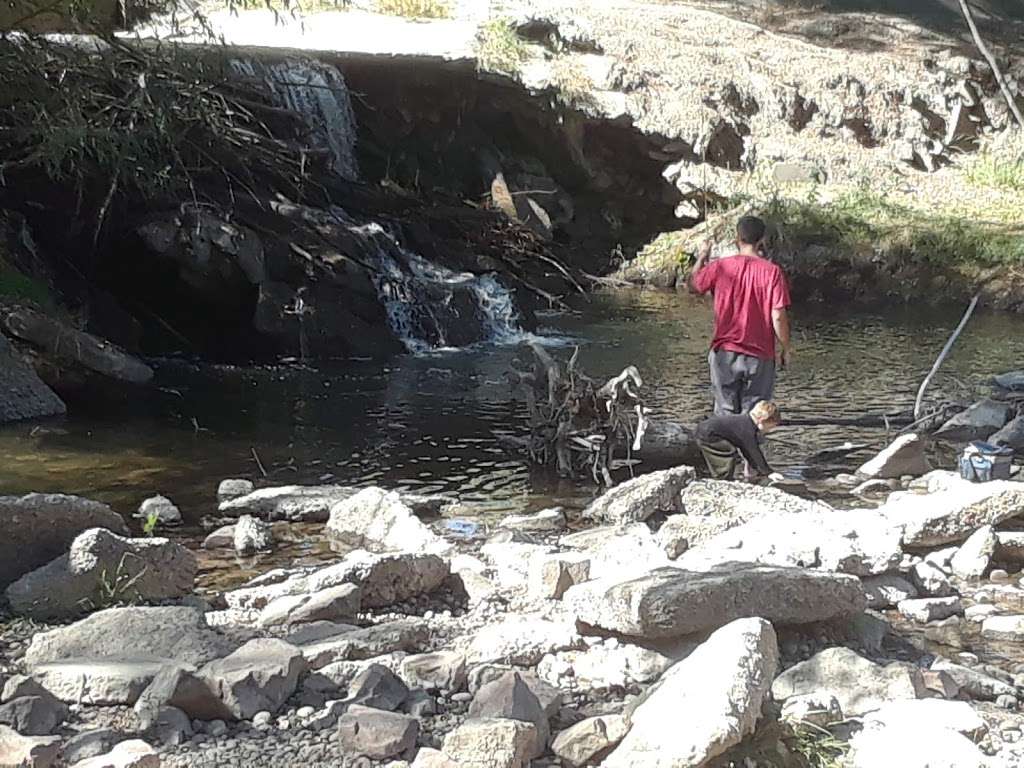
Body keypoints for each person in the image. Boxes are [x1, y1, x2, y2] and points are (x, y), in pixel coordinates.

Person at [688, 216, 793, 416]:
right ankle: (750, 448)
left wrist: (702, 256)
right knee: (755, 416)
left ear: (737, 238)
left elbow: (694, 285)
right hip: (759, 356)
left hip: (725, 353)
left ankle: (724, 447)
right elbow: (778, 316)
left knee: (725, 413)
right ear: (762, 240)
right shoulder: (772, 272)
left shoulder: (721, 266)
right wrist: (786, 348)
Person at [695, 400, 784, 482]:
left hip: (704, 430)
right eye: (769, 427)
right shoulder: (747, 429)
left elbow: (747, 452)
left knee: (733, 455)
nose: (768, 431)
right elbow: (753, 452)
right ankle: (723, 480)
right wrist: (768, 472)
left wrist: (761, 470)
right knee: (728, 452)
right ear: (762, 421)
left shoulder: (744, 422)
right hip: (709, 435)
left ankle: (715, 475)